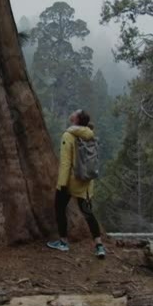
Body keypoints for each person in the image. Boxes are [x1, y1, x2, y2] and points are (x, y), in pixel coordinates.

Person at [47, 109, 106, 258]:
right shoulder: (89, 133)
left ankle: (63, 242)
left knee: (59, 208)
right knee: (88, 213)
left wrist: (61, 184)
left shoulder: (68, 135)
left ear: (76, 119)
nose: (72, 113)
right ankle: (99, 246)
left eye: (75, 112)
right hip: (86, 181)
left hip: (71, 181)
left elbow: (66, 163)